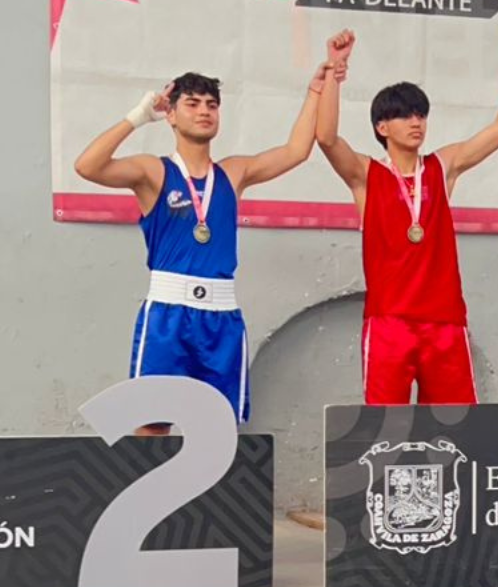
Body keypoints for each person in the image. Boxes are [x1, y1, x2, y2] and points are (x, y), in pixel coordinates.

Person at [74, 49, 343, 433]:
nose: (204, 111)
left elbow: (296, 151)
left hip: (221, 315)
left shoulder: (233, 173)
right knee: (151, 423)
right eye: (193, 103)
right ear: (170, 114)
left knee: (218, 425)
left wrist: (315, 90)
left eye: (212, 105)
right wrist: (137, 117)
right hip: (168, 314)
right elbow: (87, 166)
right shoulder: (154, 171)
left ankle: (215, 477)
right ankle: (151, 478)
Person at [314, 25, 498, 404]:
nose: (416, 122)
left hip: (445, 323)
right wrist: (334, 73)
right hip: (389, 324)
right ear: (382, 127)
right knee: (387, 427)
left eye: (420, 114)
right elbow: (326, 138)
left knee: (455, 427)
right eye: (405, 116)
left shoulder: (442, 166)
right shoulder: (366, 176)